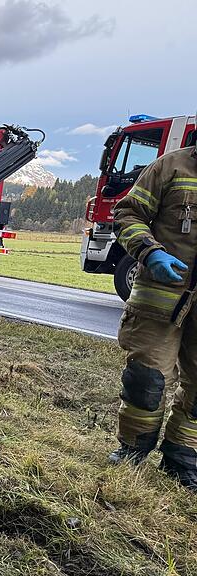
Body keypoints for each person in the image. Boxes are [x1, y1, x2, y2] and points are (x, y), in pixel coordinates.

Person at [109, 141, 197, 492]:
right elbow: (126, 214)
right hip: (159, 302)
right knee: (147, 380)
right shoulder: (171, 166)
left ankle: (183, 460)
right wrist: (150, 252)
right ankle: (133, 448)